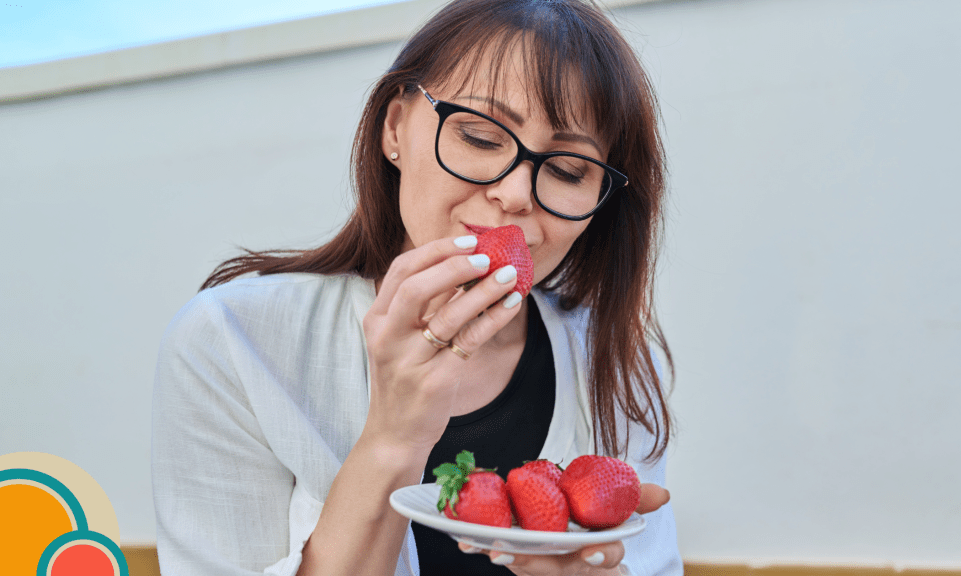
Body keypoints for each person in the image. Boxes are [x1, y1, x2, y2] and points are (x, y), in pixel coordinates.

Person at [152, 0, 680, 574]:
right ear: (395, 128)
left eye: (568, 170)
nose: (516, 193)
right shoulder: (231, 342)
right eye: (480, 137)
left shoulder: (615, 360)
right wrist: (395, 435)